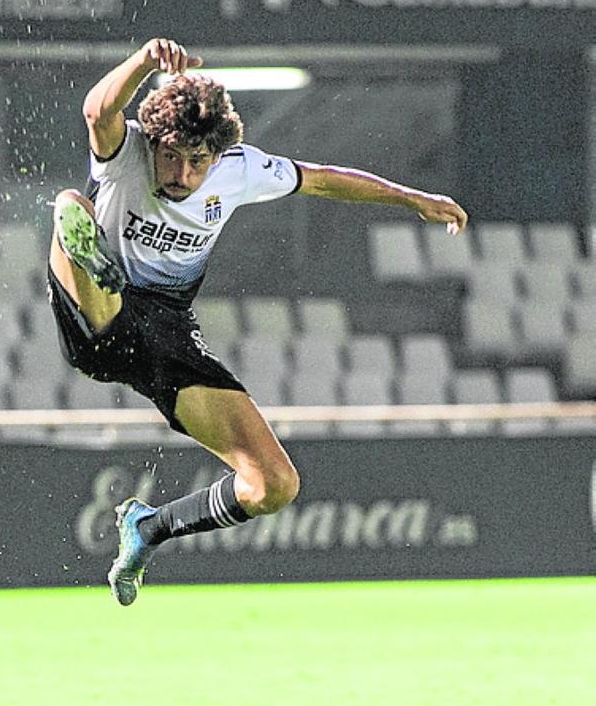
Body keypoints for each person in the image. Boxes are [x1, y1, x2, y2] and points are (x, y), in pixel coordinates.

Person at [49, 39, 469, 606]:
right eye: (170, 156)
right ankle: (88, 256)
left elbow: (321, 178)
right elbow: (99, 111)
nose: (181, 172)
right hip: (95, 323)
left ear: (218, 156)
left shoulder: (239, 170)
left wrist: (411, 199)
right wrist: (144, 64)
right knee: (71, 204)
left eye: (197, 161)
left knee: (274, 485)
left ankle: (148, 530)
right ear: (152, 143)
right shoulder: (125, 154)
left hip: (166, 331)